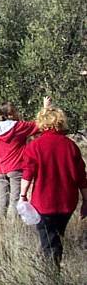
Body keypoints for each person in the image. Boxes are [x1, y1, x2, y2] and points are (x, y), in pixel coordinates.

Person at [19, 107, 87, 266]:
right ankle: (53, 269)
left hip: (43, 203)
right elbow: (81, 177)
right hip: (67, 203)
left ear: (42, 123)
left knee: (49, 241)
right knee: (56, 236)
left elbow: (27, 174)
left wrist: (22, 196)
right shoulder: (71, 146)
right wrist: (85, 200)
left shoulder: (35, 146)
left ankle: (51, 277)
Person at [0, 98, 47, 220]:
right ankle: (13, 228)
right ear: (10, 114)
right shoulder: (19, 127)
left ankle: (0, 228)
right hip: (16, 168)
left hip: (0, 169)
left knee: (2, 200)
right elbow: (38, 125)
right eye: (15, 111)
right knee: (15, 199)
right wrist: (45, 108)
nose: (17, 113)